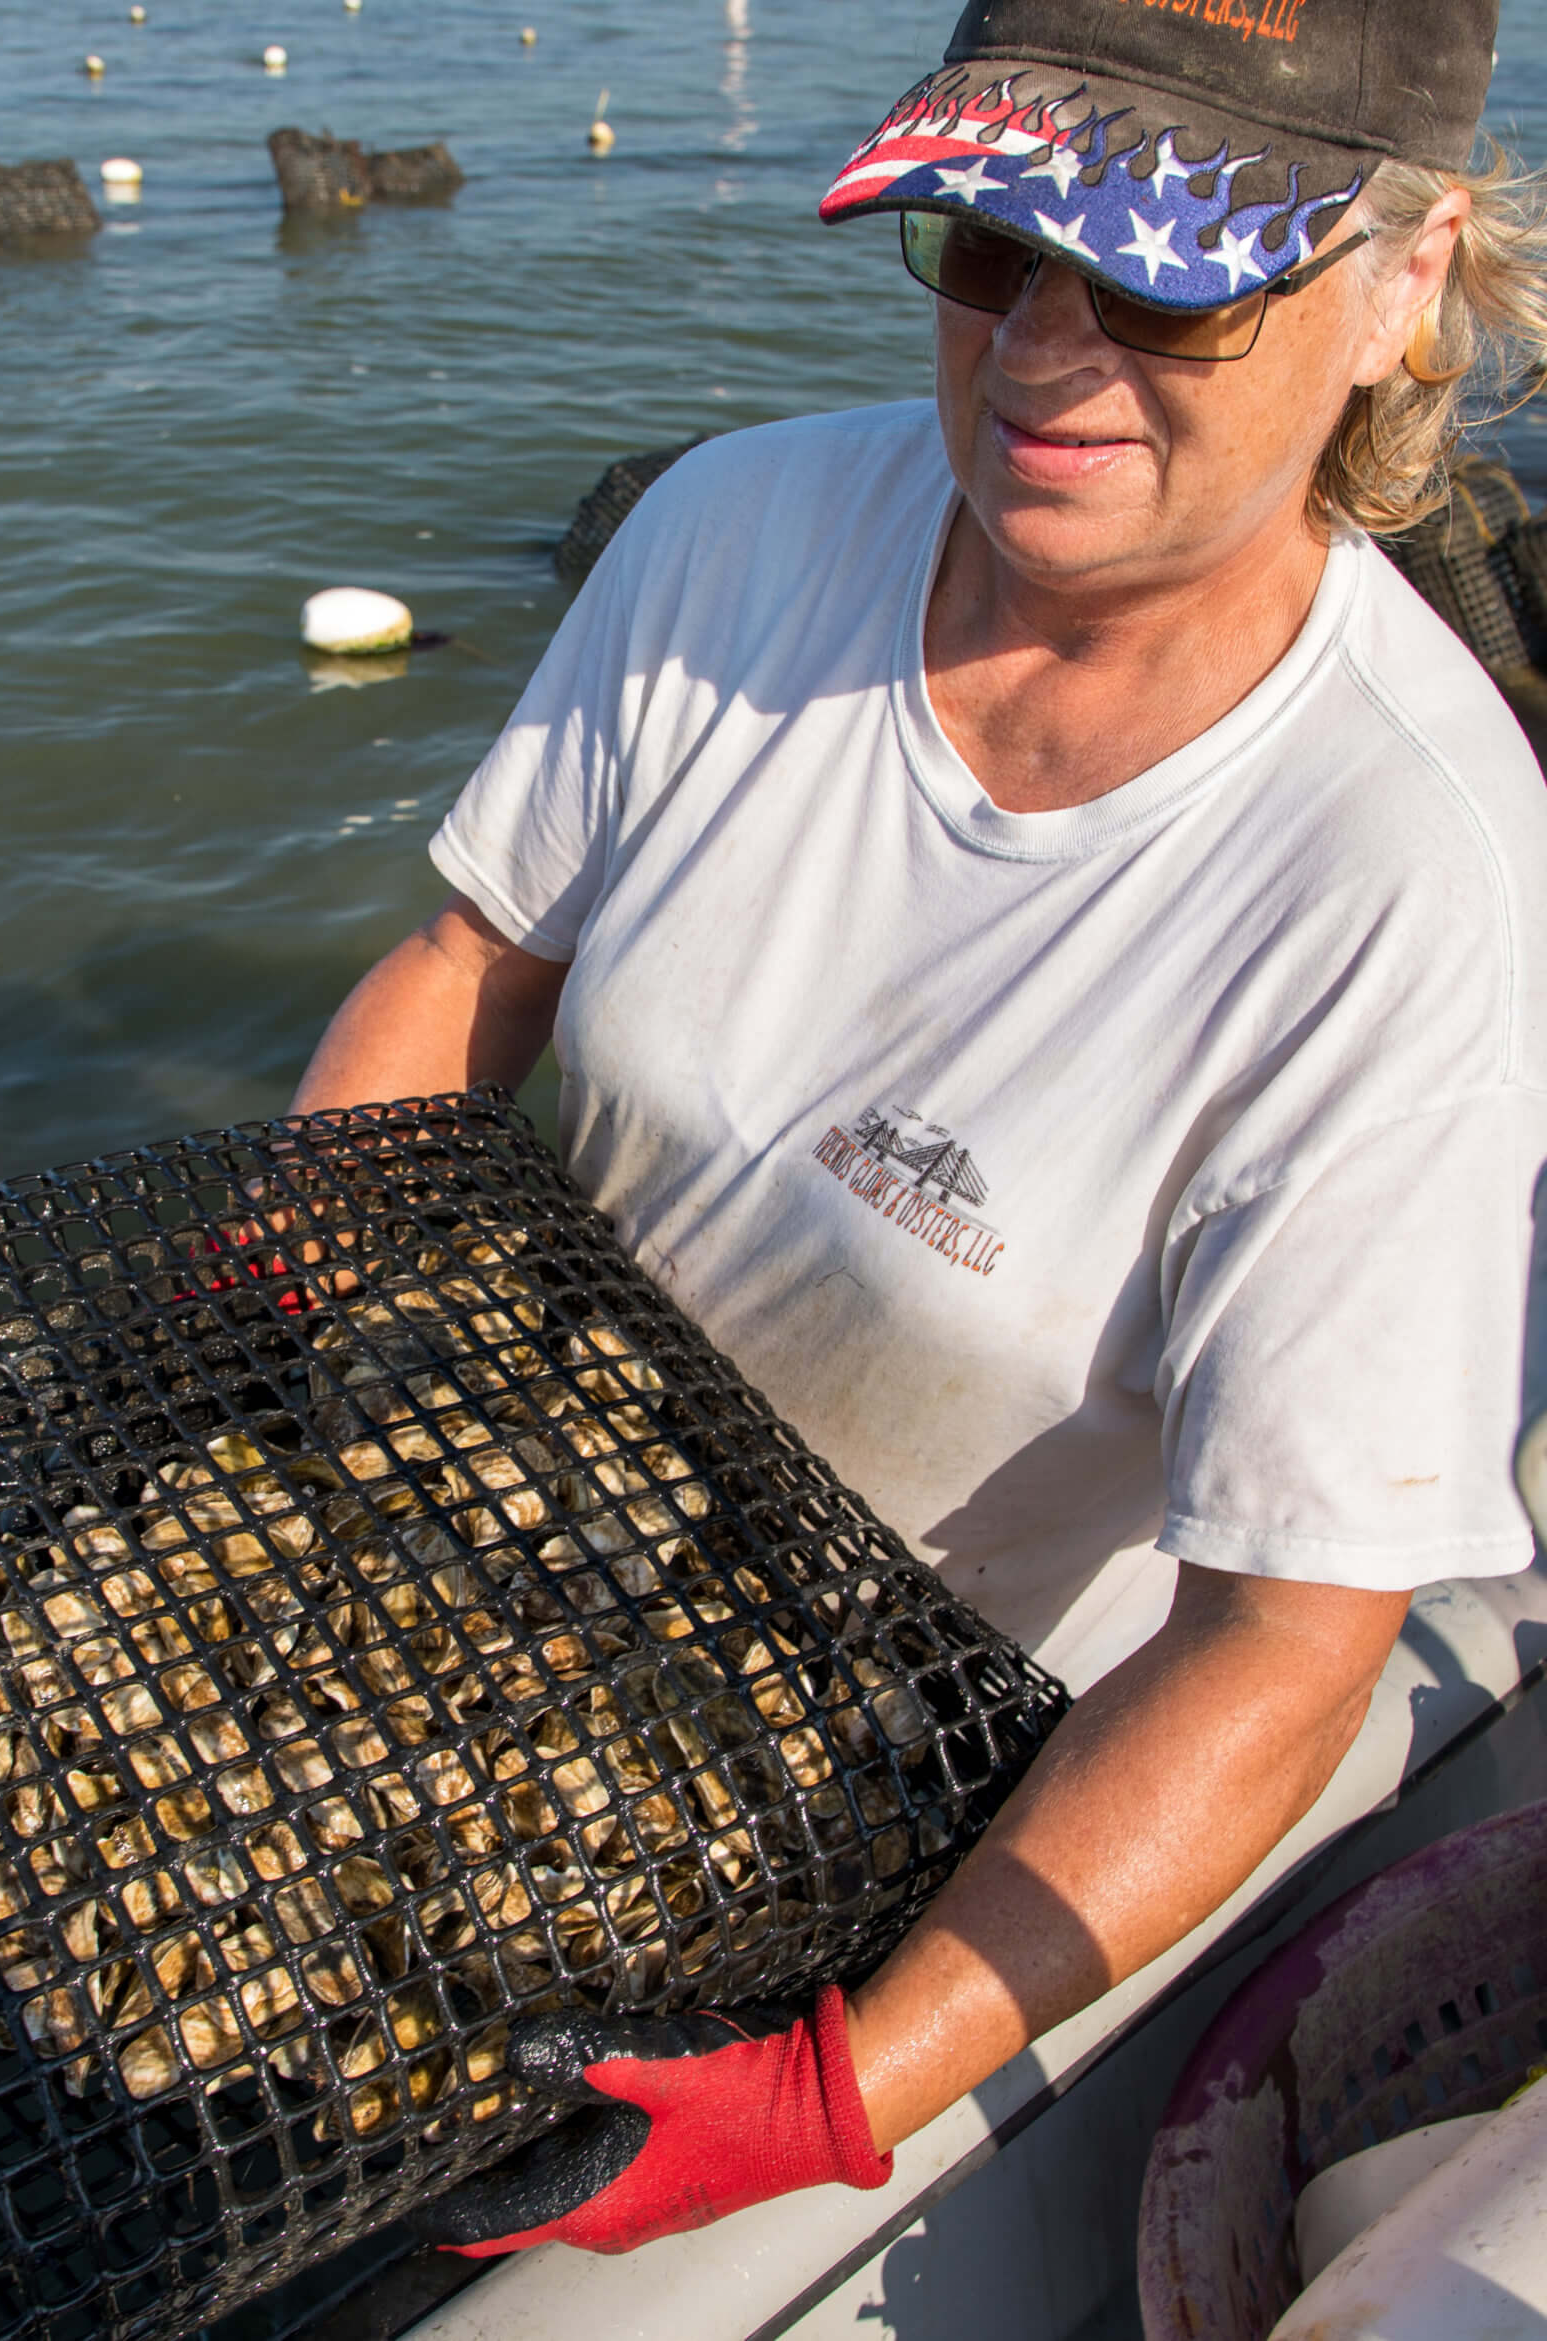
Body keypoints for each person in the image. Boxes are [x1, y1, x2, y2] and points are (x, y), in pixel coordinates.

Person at [292, 0, 1547, 2259]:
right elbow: (467, 977)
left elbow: (1281, 1645)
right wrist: (255, 1308)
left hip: (870, 1781)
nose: (1044, 346)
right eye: (988, 241)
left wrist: (825, 2089)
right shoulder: (734, 531)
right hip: (472, 1515)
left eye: (1163, 270)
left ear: (1399, 283)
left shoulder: (1404, 878)